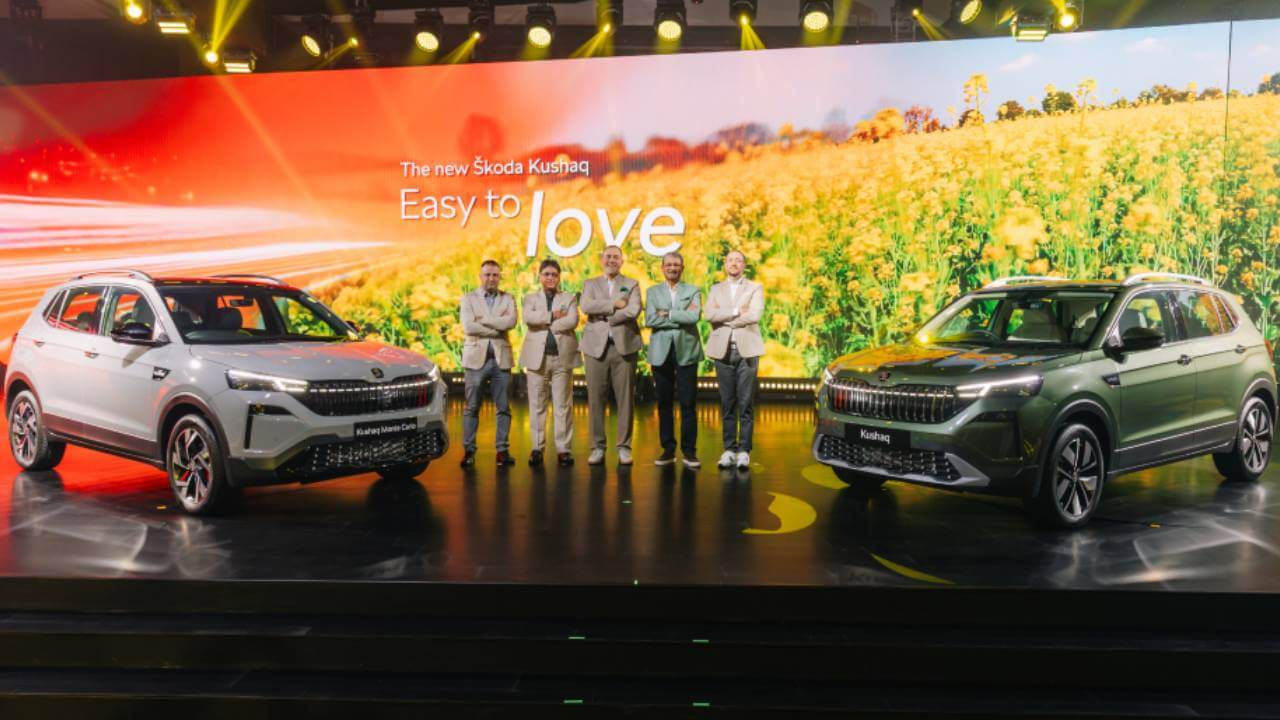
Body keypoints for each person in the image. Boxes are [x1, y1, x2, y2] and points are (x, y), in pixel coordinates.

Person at [579, 246, 643, 466]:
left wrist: (605, 316)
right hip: (595, 349)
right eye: (608, 256)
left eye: (616, 257)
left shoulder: (632, 284)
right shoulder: (590, 284)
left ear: (622, 261)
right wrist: (614, 305)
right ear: (601, 260)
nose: (612, 260)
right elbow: (586, 305)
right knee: (595, 398)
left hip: (624, 347)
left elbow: (633, 310)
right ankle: (597, 447)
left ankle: (624, 447)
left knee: (625, 399)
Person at [705, 250, 765, 470]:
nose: (734, 263)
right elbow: (708, 315)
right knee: (727, 402)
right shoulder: (716, 288)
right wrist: (736, 311)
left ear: (744, 265)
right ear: (725, 264)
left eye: (738, 260)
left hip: (746, 351)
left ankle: (744, 451)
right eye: (730, 260)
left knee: (746, 403)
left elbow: (754, 315)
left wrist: (726, 320)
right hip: (723, 352)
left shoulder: (754, 287)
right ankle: (729, 449)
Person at [645, 251, 703, 468]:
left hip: (687, 351)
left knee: (688, 403)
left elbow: (694, 317)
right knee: (664, 403)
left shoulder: (693, 290)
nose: (672, 268)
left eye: (676, 265)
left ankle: (689, 451)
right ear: (662, 268)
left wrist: (668, 314)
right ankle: (668, 449)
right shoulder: (652, 292)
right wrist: (679, 316)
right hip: (661, 353)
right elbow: (650, 319)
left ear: (682, 268)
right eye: (668, 264)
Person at [520, 259, 581, 467]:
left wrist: (544, 323)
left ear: (559, 277)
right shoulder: (530, 298)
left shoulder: (569, 298)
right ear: (540, 276)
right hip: (537, 360)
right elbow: (528, 318)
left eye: (554, 274)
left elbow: (572, 321)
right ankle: (537, 448)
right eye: (546, 274)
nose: (550, 278)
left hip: (562, 358)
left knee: (563, 406)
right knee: (537, 404)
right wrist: (552, 316)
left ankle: (563, 450)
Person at [459, 259, 517, 468]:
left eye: (495, 275)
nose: (491, 278)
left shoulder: (508, 298)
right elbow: (469, 327)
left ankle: (502, 451)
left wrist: (482, 320)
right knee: (472, 408)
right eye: (487, 275)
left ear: (499, 277)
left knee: (503, 408)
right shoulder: (468, 298)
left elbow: (511, 322)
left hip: (501, 360)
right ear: (480, 276)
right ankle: (469, 451)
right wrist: (497, 327)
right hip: (476, 361)